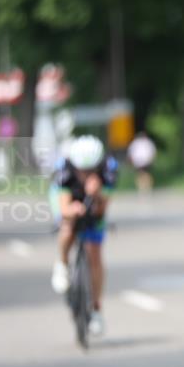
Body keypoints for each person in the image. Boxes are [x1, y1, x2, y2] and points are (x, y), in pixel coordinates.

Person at [50, 135, 118, 336]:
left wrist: (96, 194)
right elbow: (63, 208)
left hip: (93, 201)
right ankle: (62, 264)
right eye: (82, 170)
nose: (85, 174)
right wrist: (72, 210)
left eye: (90, 170)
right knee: (68, 229)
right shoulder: (65, 170)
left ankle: (96, 310)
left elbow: (101, 210)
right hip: (68, 198)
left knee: (95, 253)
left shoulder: (109, 170)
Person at [127, 131, 157, 195]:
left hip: (141, 161)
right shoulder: (147, 142)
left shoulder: (136, 143)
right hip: (142, 161)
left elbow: (131, 153)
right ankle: (144, 188)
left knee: (142, 174)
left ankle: (144, 188)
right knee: (144, 174)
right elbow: (153, 152)